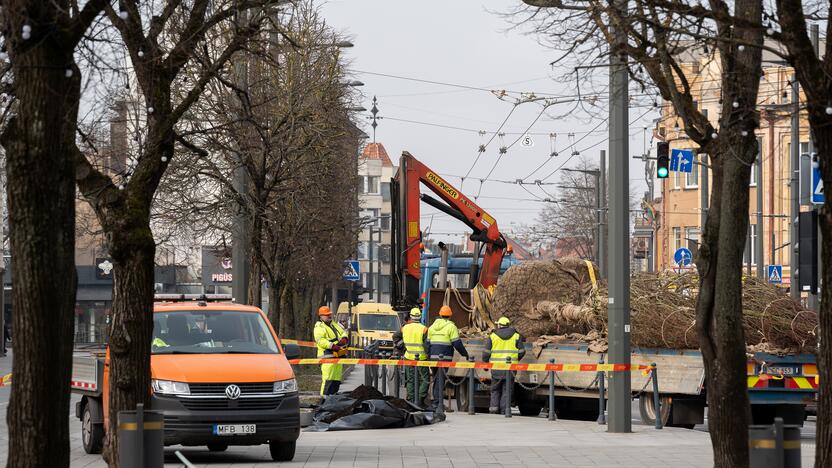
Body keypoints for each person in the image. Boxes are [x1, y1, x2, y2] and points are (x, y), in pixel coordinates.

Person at [426, 305, 468, 411]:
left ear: (440, 314)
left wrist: (428, 358)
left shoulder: (431, 327)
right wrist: (465, 354)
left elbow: (427, 345)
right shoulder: (451, 327)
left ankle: (437, 403)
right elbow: (457, 344)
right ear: (450, 316)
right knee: (440, 381)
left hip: (433, 359)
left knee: (437, 380)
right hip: (444, 358)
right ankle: (437, 404)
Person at [483, 316, 525, 414]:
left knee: (495, 389)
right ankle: (504, 410)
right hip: (510, 369)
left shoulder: (493, 336)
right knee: (507, 390)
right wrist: (516, 359)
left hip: (496, 368)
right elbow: (522, 351)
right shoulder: (516, 336)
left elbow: (486, 352)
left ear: (499, 325)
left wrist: (485, 362)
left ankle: (494, 409)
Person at [393, 307, 429, 405]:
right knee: (425, 380)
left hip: (408, 357)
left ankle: (412, 400)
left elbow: (395, 336)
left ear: (411, 317)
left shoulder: (404, 328)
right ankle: (420, 399)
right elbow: (427, 345)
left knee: (410, 380)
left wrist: (401, 345)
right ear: (420, 317)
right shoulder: (424, 329)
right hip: (422, 358)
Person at [314, 306, 348, 396]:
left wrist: (344, 338)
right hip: (327, 357)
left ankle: (333, 399)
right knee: (328, 380)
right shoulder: (319, 327)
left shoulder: (333, 324)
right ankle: (324, 400)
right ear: (320, 316)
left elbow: (343, 332)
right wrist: (333, 346)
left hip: (337, 356)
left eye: (329, 314)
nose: (329, 316)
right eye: (326, 315)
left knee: (336, 380)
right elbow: (320, 340)